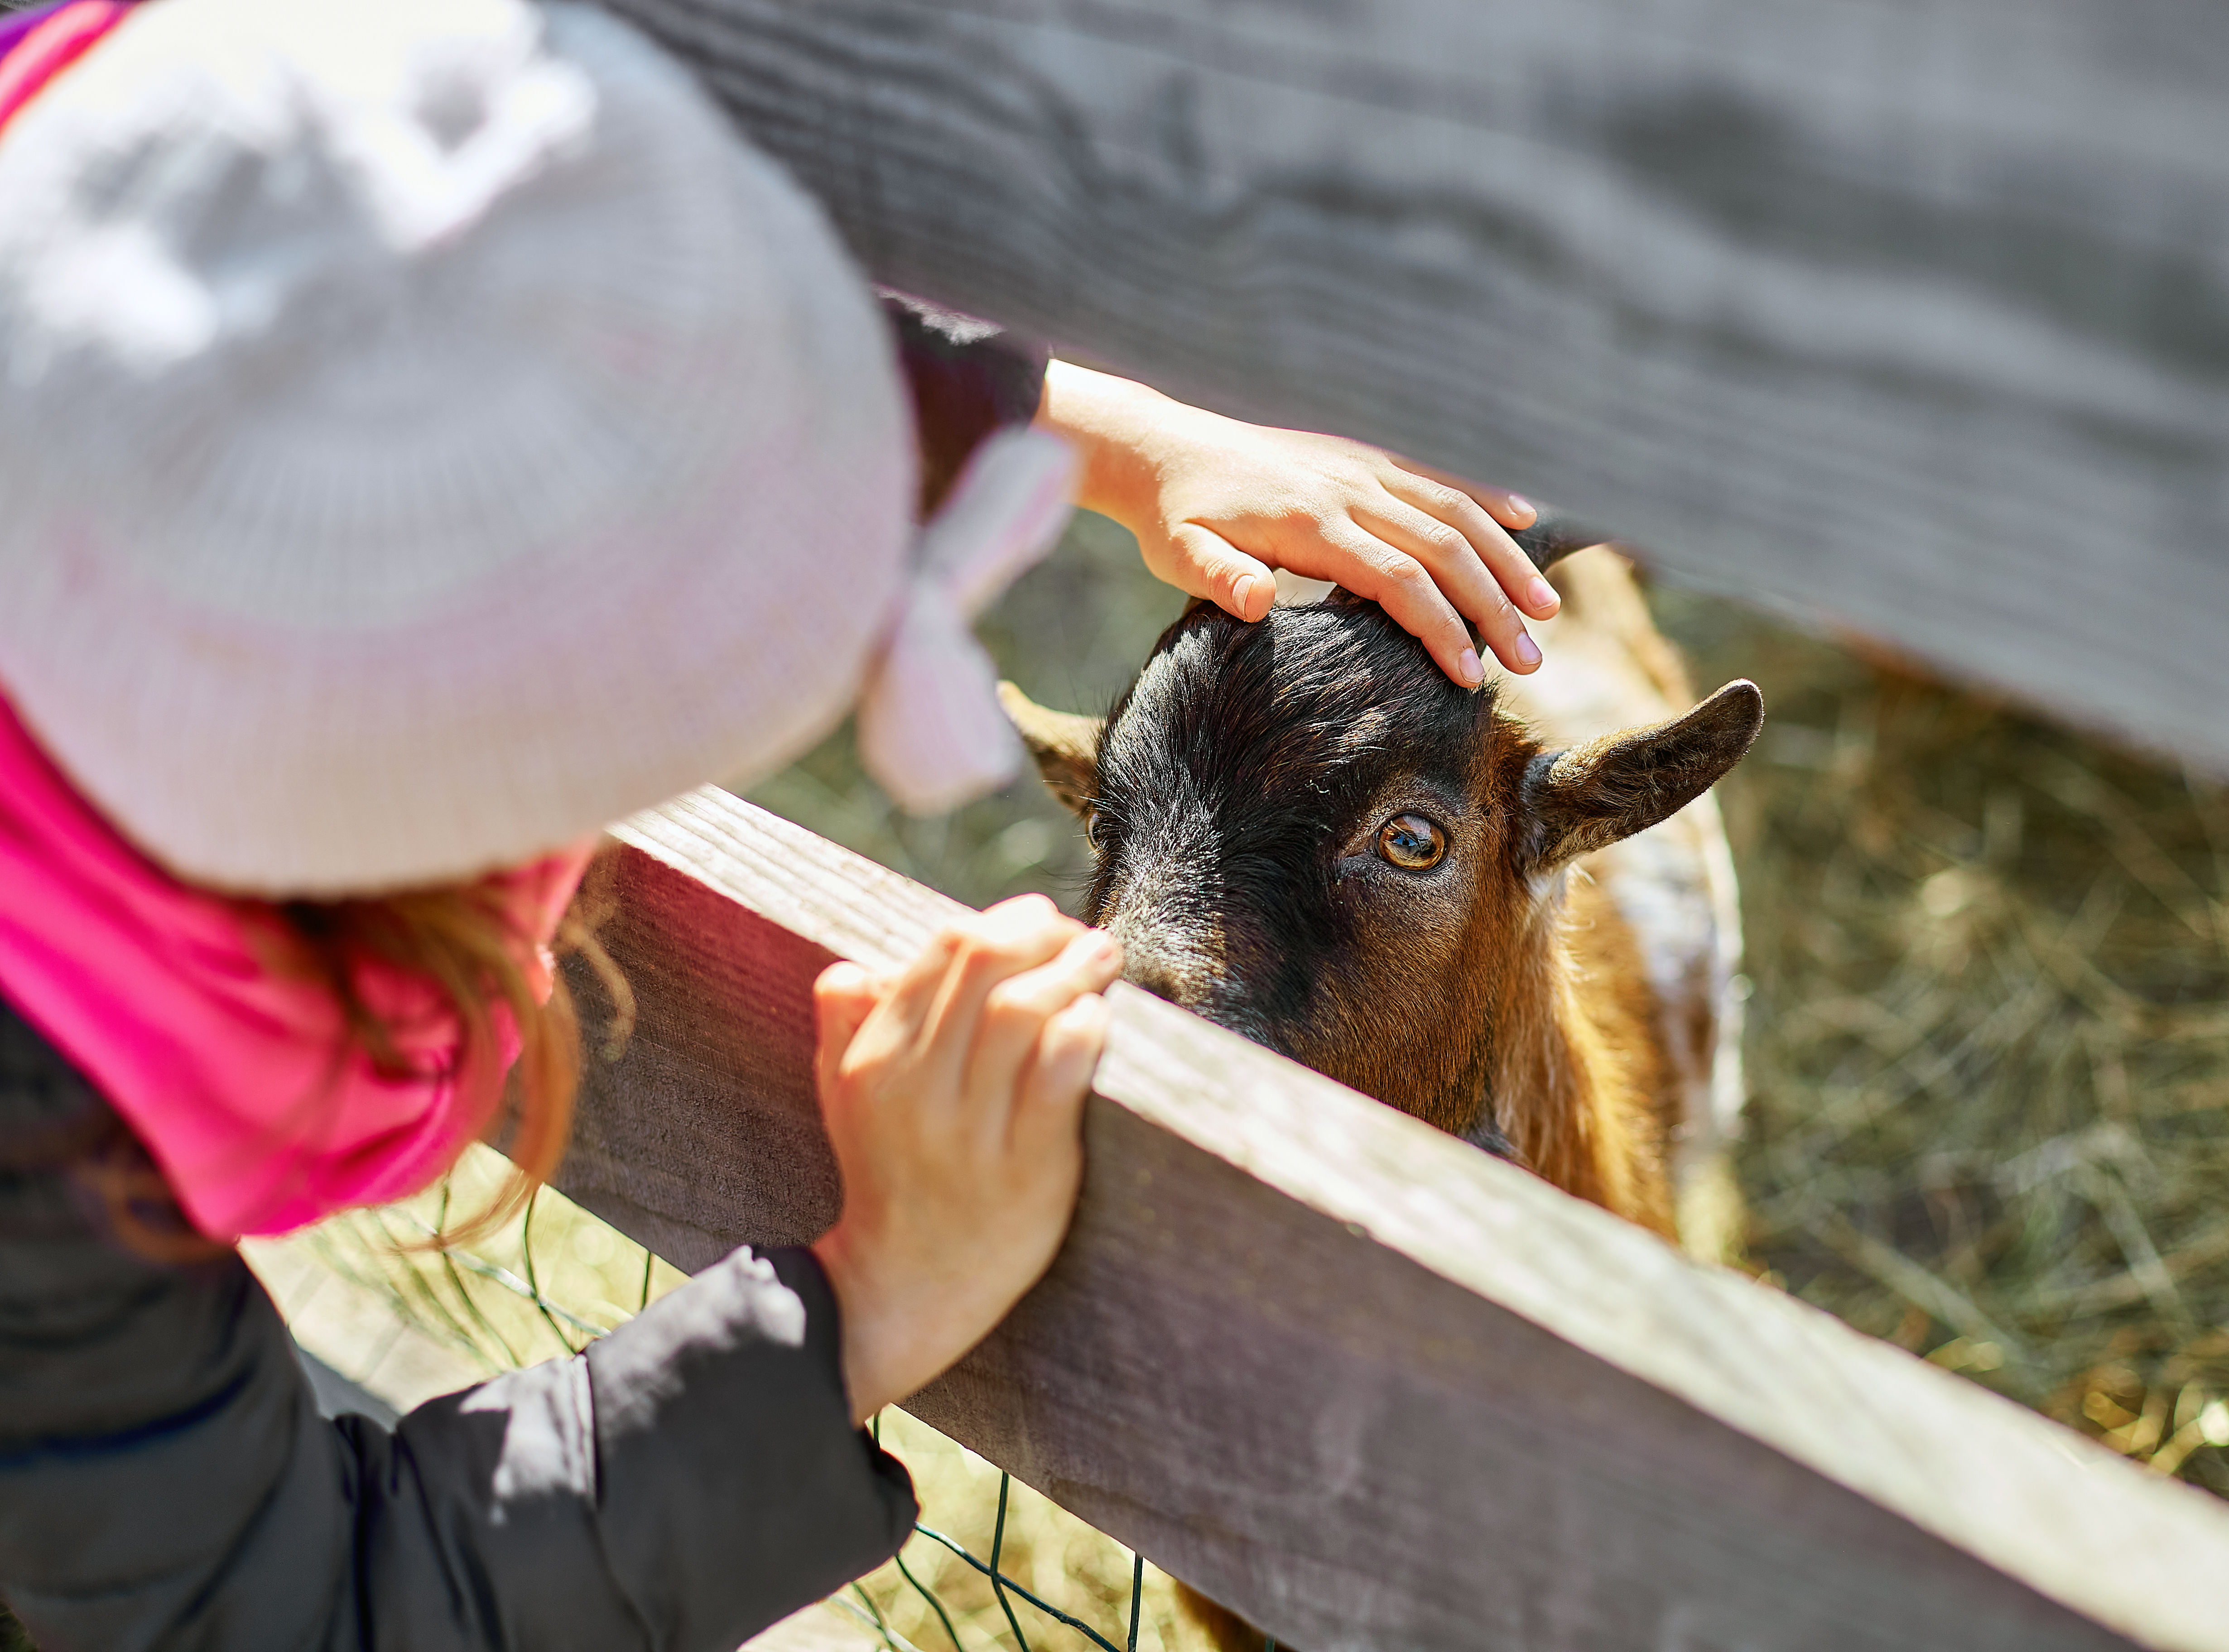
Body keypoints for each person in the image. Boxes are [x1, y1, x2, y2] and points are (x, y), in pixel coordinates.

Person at [0, 0, 1555, 1647]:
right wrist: (863, 1303)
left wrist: (1099, 435)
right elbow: (277, 1614)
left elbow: (524, 291)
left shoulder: (116, 202)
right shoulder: (39, 1115)